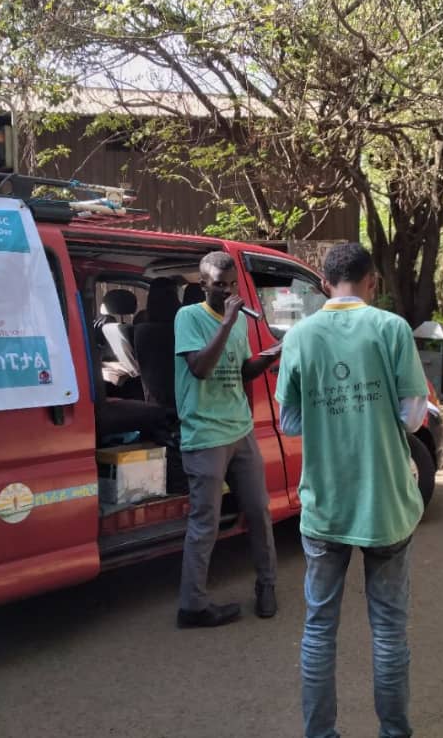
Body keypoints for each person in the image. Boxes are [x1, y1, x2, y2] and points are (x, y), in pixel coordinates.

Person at [275, 242, 428, 738]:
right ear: (372, 282)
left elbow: (290, 420)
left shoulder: (300, 335)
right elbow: (413, 415)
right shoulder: (391, 329)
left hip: (324, 504)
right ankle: (394, 733)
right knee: (388, 630)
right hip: (384, 503)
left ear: (323, 284)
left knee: (319, 629)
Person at [173, 251, 282, 628]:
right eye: (218, 285)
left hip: (240, 429)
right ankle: (193, 606)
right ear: (202, 285)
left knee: (259, 510)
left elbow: (241, 372)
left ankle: (266, 585)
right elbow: (201, 369)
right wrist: (226, 323)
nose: (227, 291)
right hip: (205, 434)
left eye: (231, 284)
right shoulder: (188, 317)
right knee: (206, 522)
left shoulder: (238, 325)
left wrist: (270, 355)